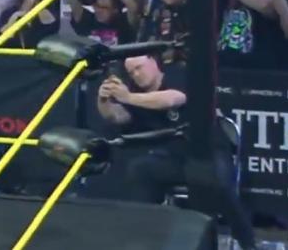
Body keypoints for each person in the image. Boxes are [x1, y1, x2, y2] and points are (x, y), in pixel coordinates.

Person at [97, 55, 256, 250]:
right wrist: (104, 100)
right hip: (174, 158)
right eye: (131, 72)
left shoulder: (177, 74)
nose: (136, 75)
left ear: (153, 62)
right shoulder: (136, 94)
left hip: (208, 150)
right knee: (140, 170)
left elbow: (174, 98)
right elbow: (118, 117)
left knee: (221, 184)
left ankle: (248, 243)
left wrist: (128, 97)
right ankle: (146, 238)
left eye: (139, 68)